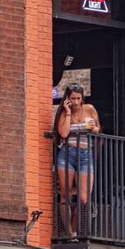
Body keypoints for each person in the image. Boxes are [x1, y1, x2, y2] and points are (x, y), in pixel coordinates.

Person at [53, 83, 101, 240]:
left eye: (78, 98)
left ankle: (74, 228)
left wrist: (93, 128)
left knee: (83, 197)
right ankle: (68, 232)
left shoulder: (89, 109)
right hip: (67, 153)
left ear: (82, 98)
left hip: (85, 154)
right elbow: (64, 133)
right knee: (65, 194)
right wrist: (67, 112)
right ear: (67, 98)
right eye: (72, 98)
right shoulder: (64, 112)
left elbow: (98, 129)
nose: (75, 102)